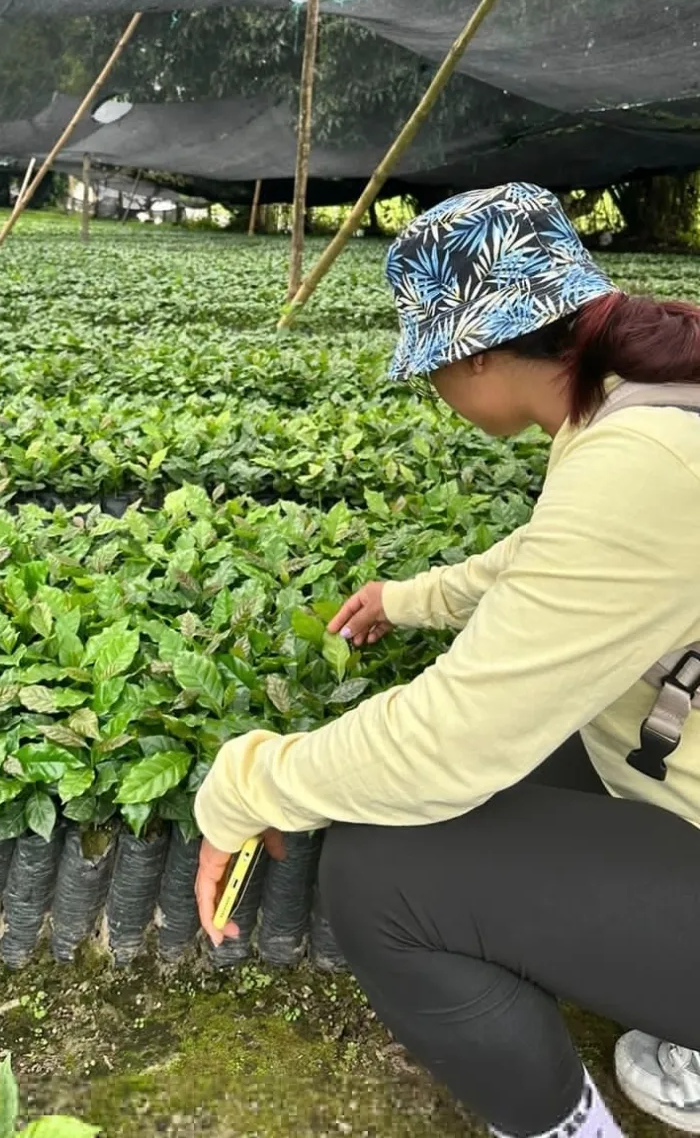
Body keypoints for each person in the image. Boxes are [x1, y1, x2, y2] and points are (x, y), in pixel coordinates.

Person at [194, 182, 700, 1137]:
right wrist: (410, 600)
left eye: (429, 366)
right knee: (493, 779)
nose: (432, 389)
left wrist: (246, 781)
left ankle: (566, 1128)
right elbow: (560, 559)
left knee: (383, 871)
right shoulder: (650, 403)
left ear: (477, 355)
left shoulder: (641, 462)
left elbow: (450, 745)